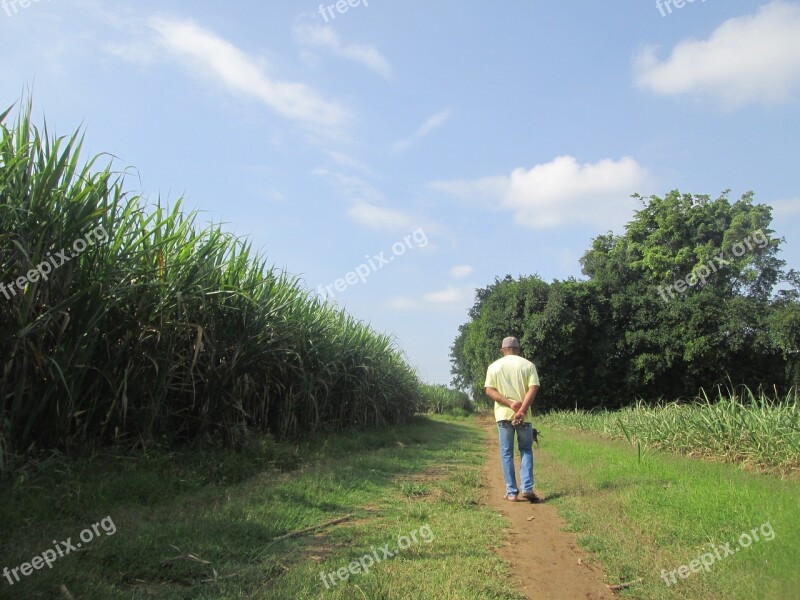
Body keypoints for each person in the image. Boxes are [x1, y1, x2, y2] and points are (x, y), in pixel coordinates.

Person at [484, 336, 542, 503]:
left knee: (507, 453)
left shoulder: (494, 366)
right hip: (525, 417)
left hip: (503, 416)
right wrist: (522, 410)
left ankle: (511, 492)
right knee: (526, 450)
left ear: (503, 350)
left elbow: (489, 391)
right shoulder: (528, 365)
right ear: (518, 349)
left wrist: (510, 404)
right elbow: (533, 388)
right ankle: (528, 488)